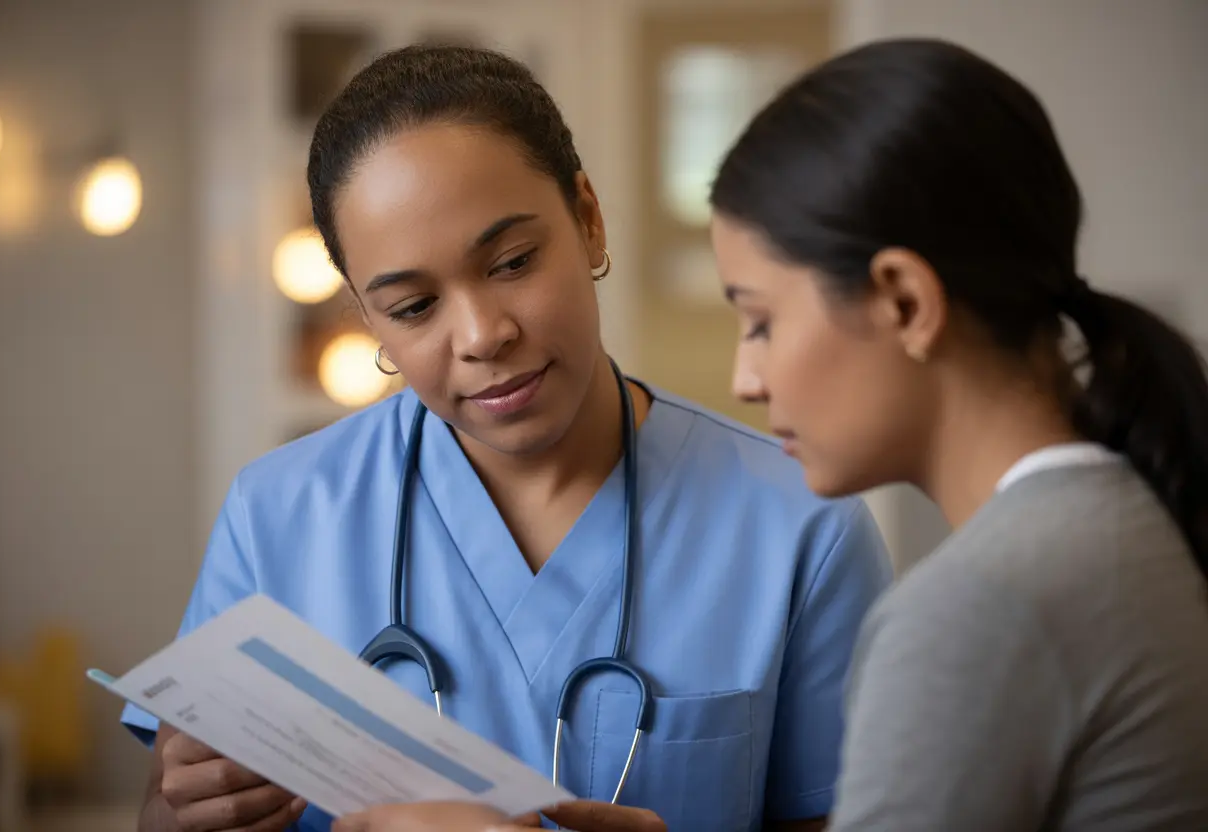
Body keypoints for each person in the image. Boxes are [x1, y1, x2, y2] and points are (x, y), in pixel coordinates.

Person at [337, 35, 1208, 832]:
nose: (747, 379)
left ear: (905, 302)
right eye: (412, 306)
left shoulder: (978, 610)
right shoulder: (1133, 527)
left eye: (760, 322)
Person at [123, 44, 894, 832]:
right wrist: (183, 808)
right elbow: (165, 806)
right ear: (367, 318)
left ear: (588, 220)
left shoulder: (803, 530)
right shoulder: (277, 518)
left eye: (514, 261)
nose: (483, 335)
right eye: (414, 307)